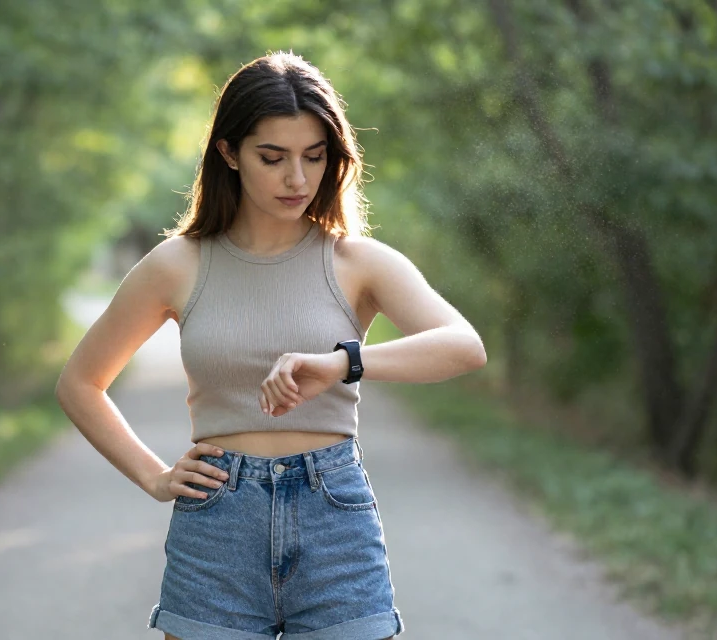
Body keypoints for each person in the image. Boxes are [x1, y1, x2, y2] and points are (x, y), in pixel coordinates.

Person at [55, 51, 487, 640]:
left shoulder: (356, 261)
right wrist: (154, 477)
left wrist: (343, 363)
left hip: (333, 516)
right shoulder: (179, 265)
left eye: (315, 157)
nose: (298, 179)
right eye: (273, 157)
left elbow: (464, 346)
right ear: (229, 153)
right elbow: (80, 383)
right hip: (216, 523)